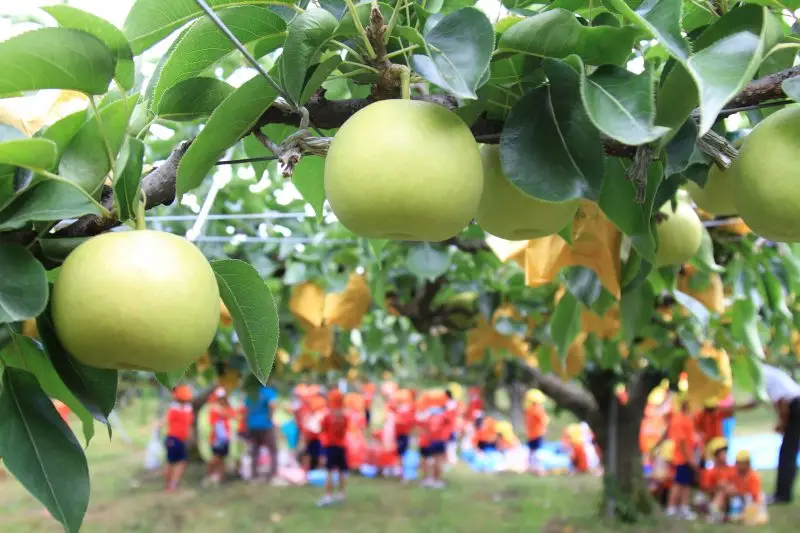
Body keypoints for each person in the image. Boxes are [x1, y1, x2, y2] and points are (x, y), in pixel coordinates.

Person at [761, 363, 800, 504]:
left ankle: (782, 495)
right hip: (795, 405)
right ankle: (783, 493)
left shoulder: (762, 374)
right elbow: (755, 401)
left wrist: (782, 423)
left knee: (788, 453)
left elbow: (782, 402)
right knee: (789, 452)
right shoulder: (767, 372)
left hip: (796, 406)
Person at [666, 394, 698, 520]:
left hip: (686, 456)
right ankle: (672, 507)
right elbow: (682, 442)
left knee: (686, 484)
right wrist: (690, 459)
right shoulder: (679, 419)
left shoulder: (686, 418)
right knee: (679, 484)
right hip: (682, 458)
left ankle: (683, 507)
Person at [318, 389, 349, 506]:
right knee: (341, 471)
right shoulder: (344, 417)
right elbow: (345, 431)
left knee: (329, 472)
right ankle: (341, 493)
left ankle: (328, 496)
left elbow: (322, 430)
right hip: (341, 446)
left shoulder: (328, 416)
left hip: (330, 446)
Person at [245, 383, 279, 483]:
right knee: (273, 450)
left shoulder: (251, 393)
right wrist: (270, 418)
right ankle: (273, 475)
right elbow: (272, 405)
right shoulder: (269, 392)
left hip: (252, 424)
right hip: (265, 425)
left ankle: (254, 475)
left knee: (255, 451)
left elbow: (247, 409)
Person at [162, 385, 194, 491]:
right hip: (175, 438)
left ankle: (170, 485)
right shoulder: (180, 410)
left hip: (175, 439)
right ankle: (171, 485)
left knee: (173, 462)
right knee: (177, 462)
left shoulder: (179, 409)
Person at [205, 387, 234, 486]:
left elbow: (232, 415)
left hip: (225, 437)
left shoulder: (226, 408)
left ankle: (221, 478)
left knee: (222, 458)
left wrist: (220, 411)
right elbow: (212, 422)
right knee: (215, 458)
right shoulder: (213, 409)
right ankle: (210, 475)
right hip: (216, 438)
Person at [525, 389, 549, 475]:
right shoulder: (530, 410)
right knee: (532, 451)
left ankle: (539, 469)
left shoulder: (537, 409)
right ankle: (532, 468)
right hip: (532, 434)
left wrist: (544, 430)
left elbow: (544, 420)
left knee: (537, 452)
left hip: (537, 434)